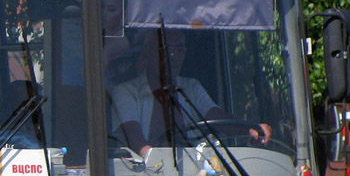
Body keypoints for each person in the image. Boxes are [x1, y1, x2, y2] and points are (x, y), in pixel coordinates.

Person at [110, 30, 272, 157]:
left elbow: (216, 117)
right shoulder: (125, 92)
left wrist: (249, 129)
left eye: (179, 50)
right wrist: (157, 164)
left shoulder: (191, 87)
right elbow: (135, 139)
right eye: (165, 49)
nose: (173, 57)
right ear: (147, 52)